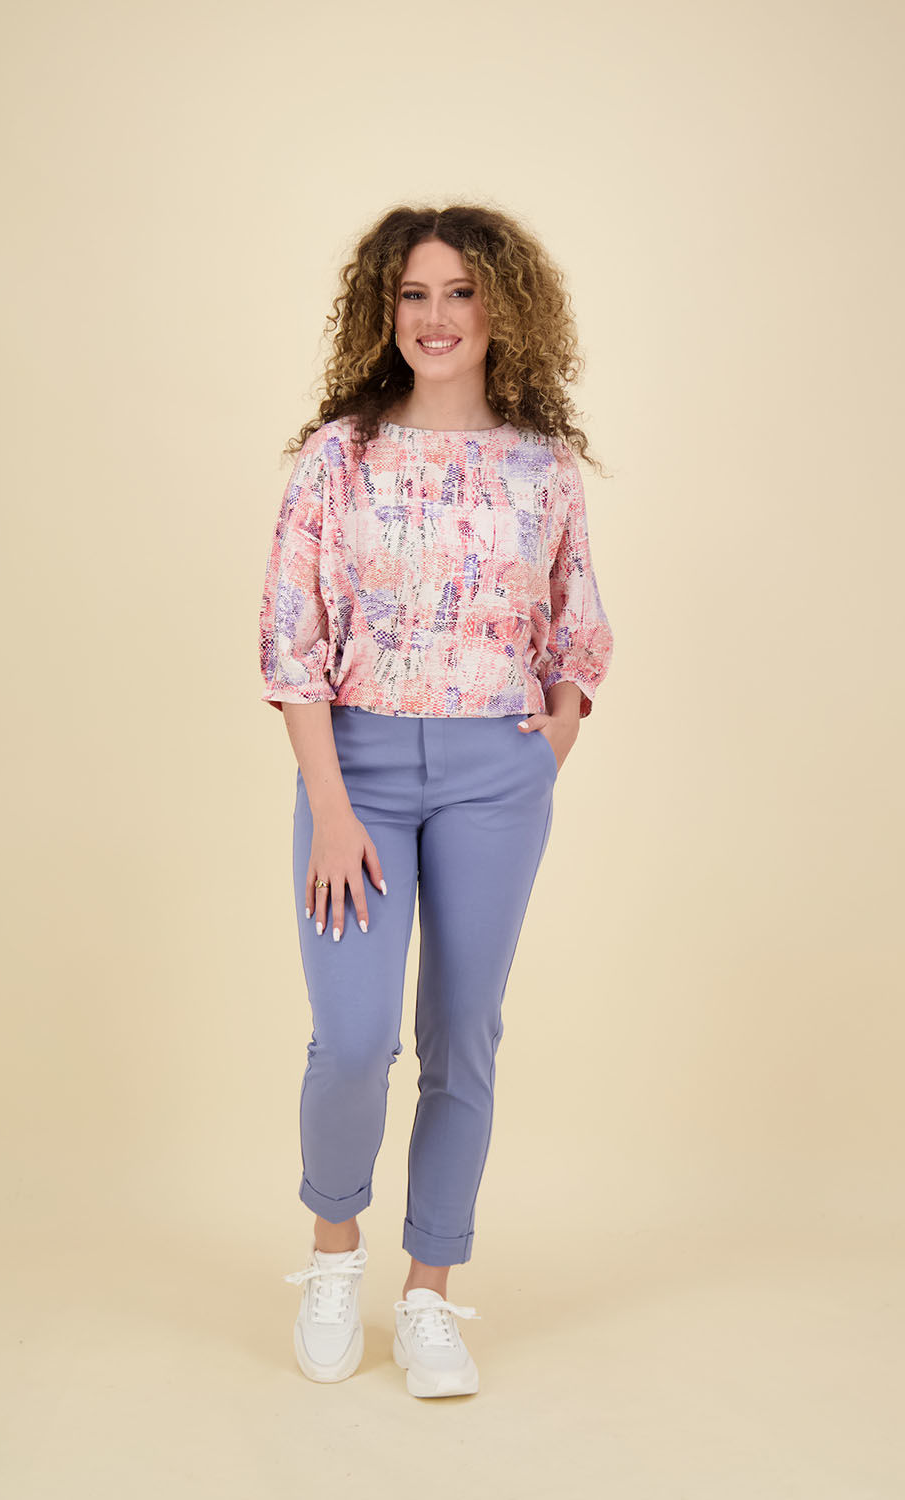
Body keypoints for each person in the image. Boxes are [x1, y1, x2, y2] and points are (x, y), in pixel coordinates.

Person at [258, 203, 614, 1398]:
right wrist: (330, 803)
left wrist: (550, 742)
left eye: (460, 292)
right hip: (354, 768)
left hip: (493, 777)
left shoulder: (540, 464)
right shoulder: (338, 458)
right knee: (354, 1039)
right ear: (384, 311)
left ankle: (427, 1296)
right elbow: (292, 639)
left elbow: (575, 624)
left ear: (502, 310)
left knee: (463, 1035)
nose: (437, 315)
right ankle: (332, 1257)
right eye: (414, 294)